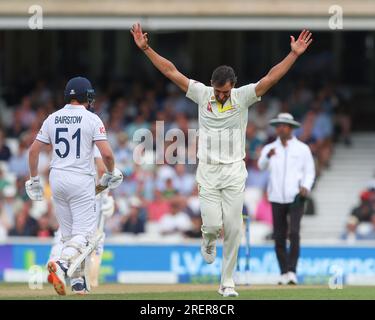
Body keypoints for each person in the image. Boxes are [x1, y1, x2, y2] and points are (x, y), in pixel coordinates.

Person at [131, 22, 313, 297]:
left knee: (233, 228)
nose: (221, 95)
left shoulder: (242, 97)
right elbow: (171, 71)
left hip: (234, 172)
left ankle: (227, 282)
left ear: (233, 86)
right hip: (208, 171)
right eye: (218, 91)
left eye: (225, 91)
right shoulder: (203, 94)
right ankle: (207, 239)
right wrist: (147, 49)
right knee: (214, 226)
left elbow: (271, 78)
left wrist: (294, 55)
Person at [26, 76, 122, 295]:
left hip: (56, 178)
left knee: (69, 236)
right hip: (81, 179)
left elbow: (33, 151)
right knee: (87, 235)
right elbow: (106, 153)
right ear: (86, 96)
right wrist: (111, 172)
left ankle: (78, 283)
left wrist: (33, 180)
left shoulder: (53, 118)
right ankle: (62, 263)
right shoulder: (92, 119)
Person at [258, 113, 315, 285]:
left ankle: (292, 271)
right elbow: (261, 166)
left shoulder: (302, 149)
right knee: (279, 235)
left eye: (284, 125)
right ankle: (283, 272)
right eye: (278, 125)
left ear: (291, 128)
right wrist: (268, 156)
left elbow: (309, 171)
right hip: (276, 197)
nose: (280, 128)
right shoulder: (270, 148)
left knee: (294, 233)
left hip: (295, 196)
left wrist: (306, 186)